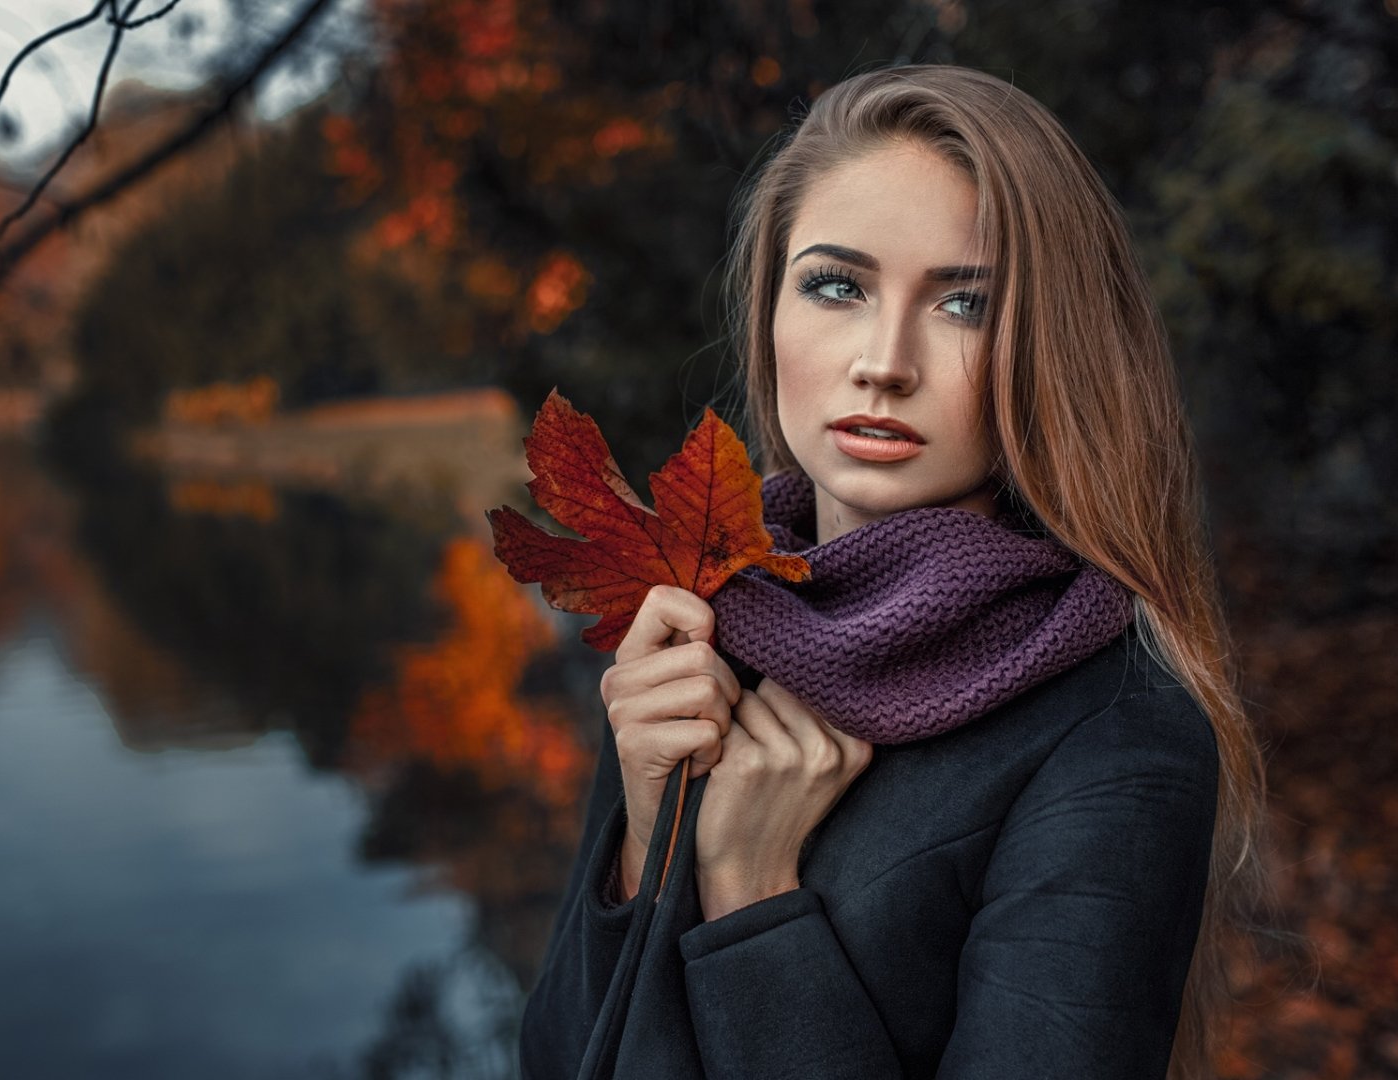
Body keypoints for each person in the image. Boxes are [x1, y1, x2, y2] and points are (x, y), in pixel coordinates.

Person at [518, 64, 1270, 1080]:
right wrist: (650, 841)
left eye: (964, 305)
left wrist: (748, 892)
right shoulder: (697, 638)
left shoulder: (1119, 736)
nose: (885, 359)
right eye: (837, 286)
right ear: (770, 314)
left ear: (1047, 352)